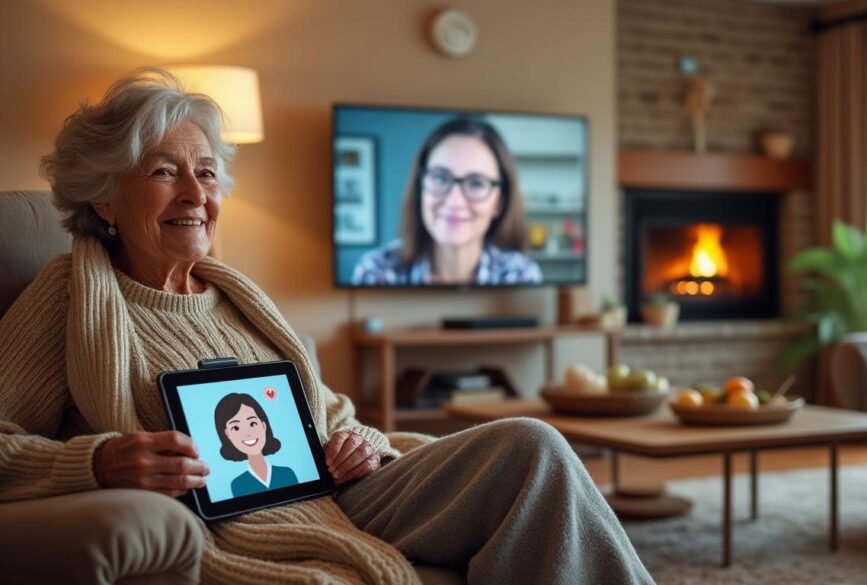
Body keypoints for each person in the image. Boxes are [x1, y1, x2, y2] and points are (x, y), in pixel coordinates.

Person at [0, 68, 654, 584]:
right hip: (239, 522)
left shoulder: (236, 294)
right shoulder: (70, 294)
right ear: (104, 196)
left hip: (344, 492)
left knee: (531, 445)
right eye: (165, 171)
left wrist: (361, 441)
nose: (196, 193)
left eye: (205, 172)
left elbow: (330, 413)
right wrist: (99, 459)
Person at [352, 117, 543, 285]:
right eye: (440, 178)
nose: (454, 202)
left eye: (476, 183)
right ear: (420, 189)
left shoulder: (521, 275)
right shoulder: (378, 271)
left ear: (498, 203)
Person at [214, 393, 298, 497]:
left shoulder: (287, 474)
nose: (247, 433)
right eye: (236, 428)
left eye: (252, 423)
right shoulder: (238, 485)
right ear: (227, 434)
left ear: (263, 425)